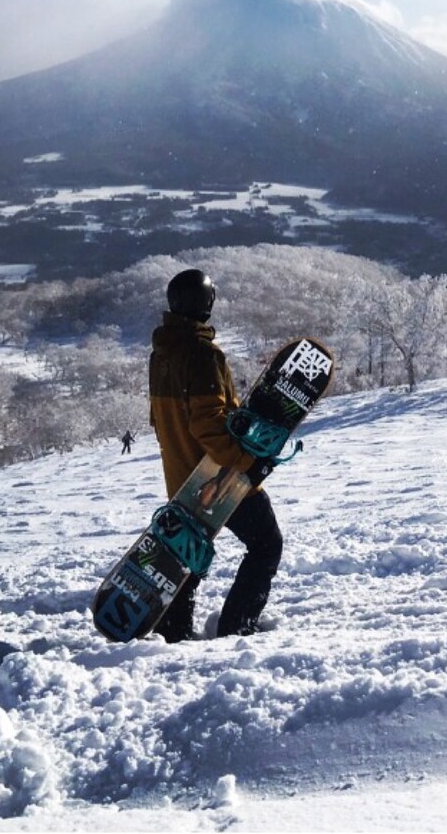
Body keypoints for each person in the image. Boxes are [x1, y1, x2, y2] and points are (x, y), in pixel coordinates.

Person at [148, 268, 281, 643]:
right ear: (206, 304)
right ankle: (237, 626)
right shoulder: (202, 354)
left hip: (182, 478)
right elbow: (208, 424)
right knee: (266, 544)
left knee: (191, 552)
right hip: (219, 478)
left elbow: (162, 420)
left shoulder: (161, 354)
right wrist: (248, 463)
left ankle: (172, 630)